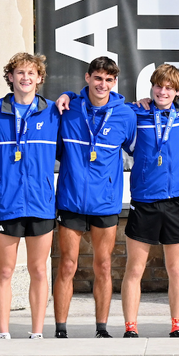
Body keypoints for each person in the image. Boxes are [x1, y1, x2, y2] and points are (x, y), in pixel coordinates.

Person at [53, 56, 136, 338]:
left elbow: (138, 148)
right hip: (71, 198)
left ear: (115, 82)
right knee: (68, 264)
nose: (103, 84)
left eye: (109, 80)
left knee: (103, 264)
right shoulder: (68, 109)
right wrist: (67, 94)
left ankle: (102, 328)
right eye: (98, 78)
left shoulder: (125, 115)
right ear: (87, 78)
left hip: (106, 201)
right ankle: (61, 329)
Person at [0, 53, 60, 339]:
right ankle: (3, 332)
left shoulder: (53, 111)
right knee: (5, 270)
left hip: (41, 203)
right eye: (20, 72)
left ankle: (37, 332)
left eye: (31, 73)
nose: (25, 78)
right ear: (10, 77)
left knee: (38, 270)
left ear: (39, 78)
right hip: (6, 202)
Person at [122, 64, 179, 338]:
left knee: (176, 268)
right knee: (135, 268)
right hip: (144, 200)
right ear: (152, 87)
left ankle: (177, 325)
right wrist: (70, 95)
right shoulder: (137, 113)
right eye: (158, 86)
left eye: (169, 88)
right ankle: (130, 327)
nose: (162, 92)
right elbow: (109, 105)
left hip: (176, 200)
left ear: (178, 91)